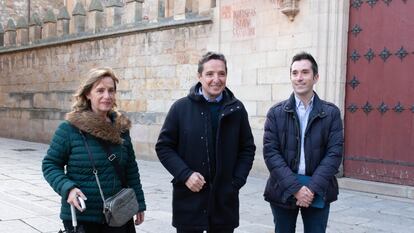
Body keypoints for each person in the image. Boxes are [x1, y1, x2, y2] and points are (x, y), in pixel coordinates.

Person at [155, 52, 256, 233]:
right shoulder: (180, 108)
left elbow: (247, 148)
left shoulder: (237, 109)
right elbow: (164, 147)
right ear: (199, 76)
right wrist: (185, 175)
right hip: (189, 202)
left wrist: (236, 181)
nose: (216, 79)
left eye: (221, 74)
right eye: (209, 74)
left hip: (224, 204)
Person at [42, 67, 146, 233]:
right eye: (100, 90)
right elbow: (50, 165)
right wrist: (68, 188)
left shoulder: (121, 128)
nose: (107, 96)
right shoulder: (69, 129)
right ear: (88, 94)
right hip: (84, 215)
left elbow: (130, 168)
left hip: (119, 214)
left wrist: (139, 202)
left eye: (111, 91)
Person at [263, 52, 343, 233]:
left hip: (318, 188)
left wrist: (311, 189)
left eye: (305, 72)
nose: (299, 78)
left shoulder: (331, 113)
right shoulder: (276, 113)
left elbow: (334, 154)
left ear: (316, 77)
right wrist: (296, 189)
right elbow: (271, 153)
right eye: (295, 73)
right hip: (283, 188)